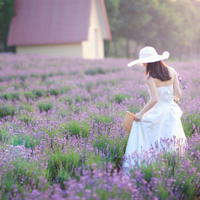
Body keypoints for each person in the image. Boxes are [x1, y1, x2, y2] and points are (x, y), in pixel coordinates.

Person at [122, 46, 187, 174]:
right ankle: (171, 167)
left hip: (158, 111)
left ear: (148, 62)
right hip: (171, 111)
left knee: (143, 129)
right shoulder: (172, 71)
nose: (144, 64)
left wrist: (141, 113)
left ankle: (149, 164)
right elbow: (178, 93)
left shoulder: (150, 77)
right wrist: (172, 100)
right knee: (170, 138)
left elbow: (155, 99)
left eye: (144, 61)